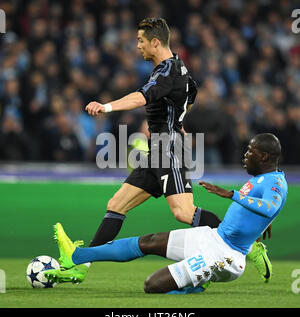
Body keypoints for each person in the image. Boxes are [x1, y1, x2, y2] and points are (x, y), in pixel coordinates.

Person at [50, 17, 205, 284]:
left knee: (182, 212)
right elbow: (190, 97)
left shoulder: (166, 71)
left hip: (168, 148)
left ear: (155, 42)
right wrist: (178, 122)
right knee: (116, 205)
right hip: (158, 149)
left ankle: (244, 243)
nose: (137, 46)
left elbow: (139, 97)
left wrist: (106, 107)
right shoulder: (180, 70)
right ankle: (81, 264)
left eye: (141, 41)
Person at [45, 133, 287, 293]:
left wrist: (232, 195)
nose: (245, 155)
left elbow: (271, 206)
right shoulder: (263, 179)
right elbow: (264, 208)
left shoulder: (275, 183)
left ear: (264, 156)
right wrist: (261, 220)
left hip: (226, 256)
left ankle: (195, 285)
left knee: (152, 285)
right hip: (212, 237)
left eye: (250, 151)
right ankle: (76, 256)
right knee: (149, 241)